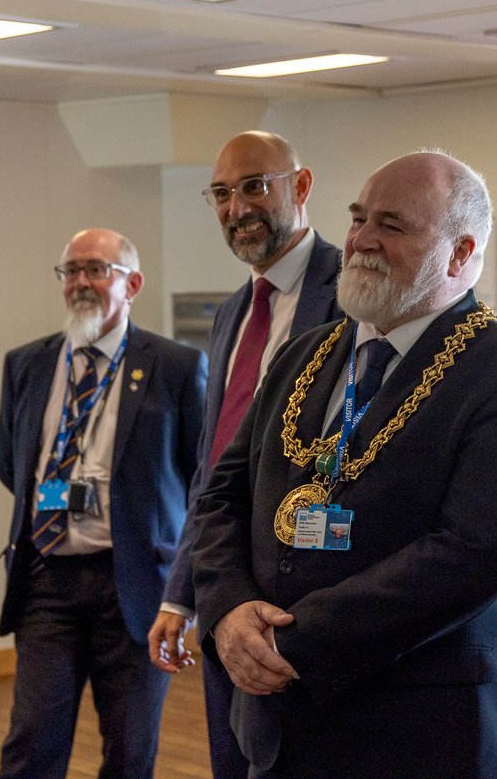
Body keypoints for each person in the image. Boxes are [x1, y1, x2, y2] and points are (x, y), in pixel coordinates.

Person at [191, 150, 497, 779]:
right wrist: (230, 611)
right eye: (358, 218)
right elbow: (220, 498)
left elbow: (468, 556)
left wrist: (285, 643)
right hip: (280, 727)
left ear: (459, 253)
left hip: (426, 736)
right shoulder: (301, 358)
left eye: (392, 225)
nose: (362, 240)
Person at [146, 130, 342, 779]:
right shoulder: (233, 311)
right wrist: (183, 593)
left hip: (304, 600)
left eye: (255, 186)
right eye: (223, 194)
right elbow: (212, 467)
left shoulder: (353, 293)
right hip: (224, 589)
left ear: (301, 186)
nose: (237, 209)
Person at [0, 228, 206, 779]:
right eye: (71, 271)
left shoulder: (176, 367)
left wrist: (184, 593)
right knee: (31, 743)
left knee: (130, 751)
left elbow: (202, 481)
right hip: (47, 582)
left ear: (132, 283)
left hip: (134, 587)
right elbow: (11, 466)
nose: (81, 283)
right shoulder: (27, 364)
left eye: (96, 270)